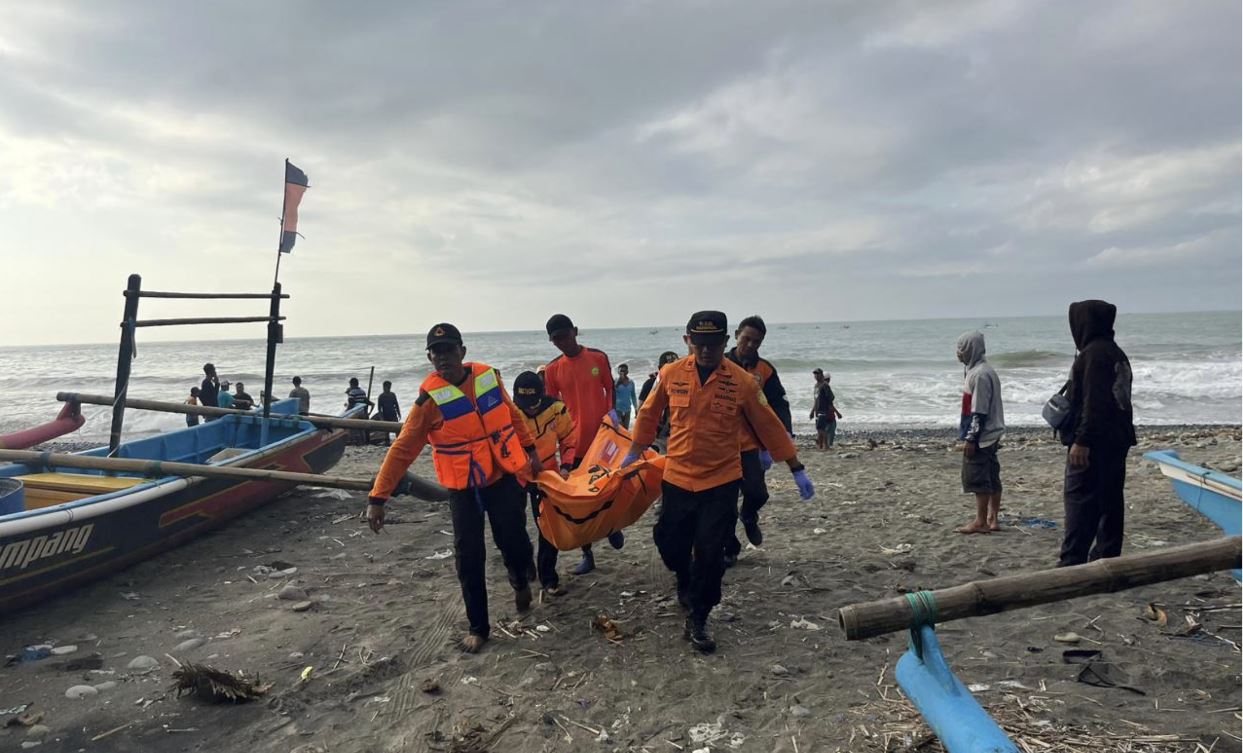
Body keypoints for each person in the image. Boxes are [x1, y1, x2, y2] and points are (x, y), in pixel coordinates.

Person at [626, 311, 814, 653]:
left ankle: (699, 617)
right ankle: (684, 578)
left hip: (721, 482)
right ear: (687, 342)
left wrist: (795, 466)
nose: (706, 351)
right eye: (699, 344)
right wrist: (634, 451)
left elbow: (769, 424)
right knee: (669, 543)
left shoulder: (742, 381)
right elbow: (649, 414)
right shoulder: (670, 374)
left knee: (711, 555)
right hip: (678, 477)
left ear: (725, 343)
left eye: (714, 344)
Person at [366, 323, 542, 654]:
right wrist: (378, 497)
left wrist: (530, 449)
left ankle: (519, 579)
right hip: (464, 490)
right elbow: (402, 450)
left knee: (515, 540)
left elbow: (512, 415)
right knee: (469, 556)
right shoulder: (428, 403)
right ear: (429, 357)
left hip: (502, 476)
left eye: (449, 350)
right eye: (437, 352)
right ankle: (479, 627)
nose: (443, 357)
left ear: (462, 351)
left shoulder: (489, 377)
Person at [542, 313, 624, 574]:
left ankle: (613, 526)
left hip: (602, 437)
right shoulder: (553, 369)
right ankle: (588, 554)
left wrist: (613, 415)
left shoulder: (598, 358)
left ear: (575, 331)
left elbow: (609, 388)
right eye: (555, 340)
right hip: (573, 445)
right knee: (579, 501)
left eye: (565, 336)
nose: (562, 343)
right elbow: (551, 407)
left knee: (613, 486)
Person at [1057, 300, 1136, 566]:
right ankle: (1107, 556)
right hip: (1116, 439)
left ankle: (1072, 561)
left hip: (1095, 442)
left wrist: (1082, 440)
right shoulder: (1114, 352)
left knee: (1080, 500)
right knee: (1110, 498)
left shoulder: (1094, 355)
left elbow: (1095, 402)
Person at [723, 315, 794, 567]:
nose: (751, 345)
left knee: (757, 493)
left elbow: (779, 403)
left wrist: (785, 432)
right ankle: (729, 548)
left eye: (756, 341)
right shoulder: (719, 363)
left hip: (752, 446)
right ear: (735, 336)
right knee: (725, 502)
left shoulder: (765, 370)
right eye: (746, 339)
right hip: (721, 445)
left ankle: (749, 515)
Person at [511, 370, 577, 598]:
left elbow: (568, 438)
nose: (529, 408)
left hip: (547, 472)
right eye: (524, 404)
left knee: (549, 526)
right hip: (517, 474)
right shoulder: (509, 412)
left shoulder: (556, 409)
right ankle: (526, 561)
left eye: (534, 403)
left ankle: (548, 578)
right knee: (514, 527)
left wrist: (566, 466)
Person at [955, 332, 1005, 535]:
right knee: (992, 476)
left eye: (961, 348)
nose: (958, 353)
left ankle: (981, 521)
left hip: (983, 436)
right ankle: (992, 518)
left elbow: (979, 411)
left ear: (971, 349)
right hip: (990, 433)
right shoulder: (979, 370)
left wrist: (971, 438)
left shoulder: (980, 374)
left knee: (978, 478)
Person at [638, 351, 679, 452]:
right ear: (660, 367)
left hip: (677, 438)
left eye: (676, 365)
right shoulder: (651, 384)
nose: (672, 369)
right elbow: (641, 411)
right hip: (656, 437)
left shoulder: (686, 384)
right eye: (668, 366)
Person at [810, 369, 842, 449]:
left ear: (822, 375)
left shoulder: (824, 385)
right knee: (819, 428)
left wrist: (834, 411)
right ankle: (821, 445)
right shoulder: (816, 386)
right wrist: (812, 411)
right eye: (815, 374)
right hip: (818, 410)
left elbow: (831, 398)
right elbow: (816, 399)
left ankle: (826, 446)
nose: (816, 376)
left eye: (818, 374)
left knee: (822, 429)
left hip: (823, 410)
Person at [375, 380, 402, 445]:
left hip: (393, 414)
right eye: (387, 387)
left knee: (397, 429)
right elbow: (379, 408)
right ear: (384, 387)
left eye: (390, 387)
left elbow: (396, 404)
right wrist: (381, 418)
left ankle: (398, 441)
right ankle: (387, 442)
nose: (389, 389)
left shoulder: (392, 395)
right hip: (386, 415)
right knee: (386, 430)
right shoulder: (381, 396)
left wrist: (399, 413)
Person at [613, 364, 638, 429]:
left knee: (626, 428)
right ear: (618, 372)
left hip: (627, 409)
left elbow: (633, 395)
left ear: (627, 372)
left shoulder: (631, 382)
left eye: (624, 370)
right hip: (617, 409)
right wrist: (618, 383)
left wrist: (635, 408)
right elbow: (611, 394)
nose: (622, 372)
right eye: (621, 370)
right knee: (618, 429)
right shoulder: (615, 381)